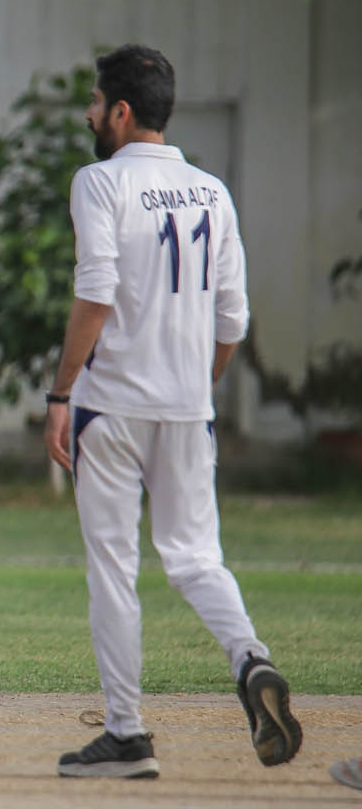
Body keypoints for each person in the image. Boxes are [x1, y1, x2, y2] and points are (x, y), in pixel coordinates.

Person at [44, 45, 299, 778]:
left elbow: (96, 292)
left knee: (113, 569)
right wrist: (194, 383)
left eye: (97, 102)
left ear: (122, 112)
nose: (91, 113)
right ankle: (250, 658)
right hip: (188, 408)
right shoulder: (212, 191)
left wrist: (60, 393)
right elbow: (232, 318)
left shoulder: (99, 181)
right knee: (195, 558)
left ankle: (126, 733)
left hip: (110, 406)